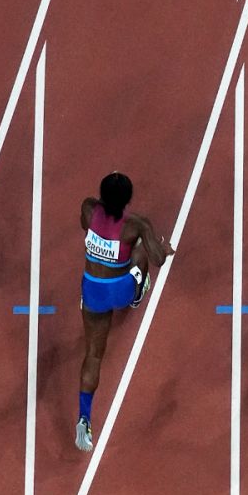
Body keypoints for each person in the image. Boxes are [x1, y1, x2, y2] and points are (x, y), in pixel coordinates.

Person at [76, 172, 173, 452]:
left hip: (93, 289)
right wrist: (162, 248)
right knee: (140, 253)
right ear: (128, 200)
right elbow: (157, 259)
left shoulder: (88, 208)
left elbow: (88, 226)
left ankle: (84, 417)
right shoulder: (136, 225)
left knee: (93, 355)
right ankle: (136, 295)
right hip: (119, 289)